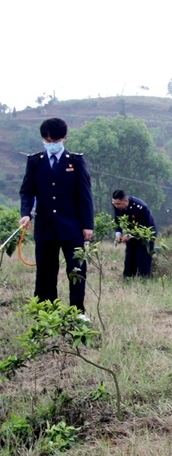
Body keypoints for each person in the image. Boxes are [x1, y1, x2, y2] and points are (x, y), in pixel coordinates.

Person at [18, 117, 95, 311]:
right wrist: (26, 212)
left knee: (76, 269)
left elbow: (85, 195)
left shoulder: (75, 161)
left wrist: (88, 225)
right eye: (48, 141)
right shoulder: (35, 161)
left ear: (64, 138)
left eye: (55, 141)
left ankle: (77, 311)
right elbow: (27, 191)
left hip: (72, 227)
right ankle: (46, 311)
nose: (51, 144)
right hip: (45, 227)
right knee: (45, 271)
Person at [111, 190, 157, 278]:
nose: (116, 206)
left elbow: (146, 226)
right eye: (114, 203)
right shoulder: (117, 206)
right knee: (130, 257)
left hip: (146, 234)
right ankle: (127, 279)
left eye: (118, 204)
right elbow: (118, 220)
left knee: (142, 258)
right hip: (131, 233)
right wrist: (118, 233)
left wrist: (130, 236)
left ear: (126, 201)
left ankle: (143, 280)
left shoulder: (141, 207)